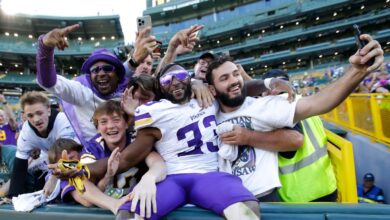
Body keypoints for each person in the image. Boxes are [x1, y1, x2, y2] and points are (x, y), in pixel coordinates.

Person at [205, 33, 383, 202]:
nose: (234, 80)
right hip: (224, 200)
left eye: (236, 74)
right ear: (212, 89)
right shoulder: (206, 113)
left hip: (266, 201)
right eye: (224, 78)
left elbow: (318, 102)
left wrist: (357, 71)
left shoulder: (263, 106)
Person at [36, 24, 157, 147]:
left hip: (126, 150)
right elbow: (48, 81)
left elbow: (127, 69)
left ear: (117, 75)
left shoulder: (126, 87)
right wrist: (45, 47)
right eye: (95, 70)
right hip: (94, 155)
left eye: (107, 68)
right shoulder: (81, 92)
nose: (101, 73)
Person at [262, 69, 337, 202]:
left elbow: (290, 148)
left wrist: (249, 137)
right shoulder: (304, 101)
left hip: (301, 195)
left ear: (271, 90)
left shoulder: (278, 106)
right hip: (327, 185)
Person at [7, 91, 77, 197]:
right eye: (30, 115)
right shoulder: (26, 131)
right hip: (53, 161)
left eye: (39, 113)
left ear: (48, 110)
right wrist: (13, 197)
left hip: (78, 160)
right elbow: (19, 166)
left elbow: (69, 159)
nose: (36, 119)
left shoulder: (62, 120)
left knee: (61, 187)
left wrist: (53, 178)